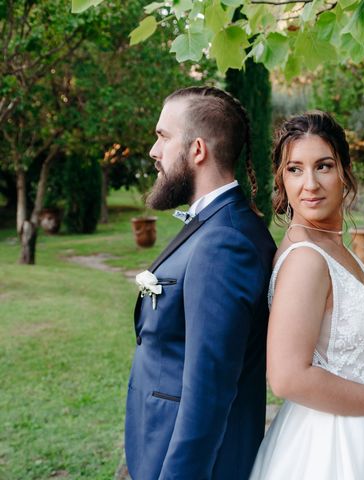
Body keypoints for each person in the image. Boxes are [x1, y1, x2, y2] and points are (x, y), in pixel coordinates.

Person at [249, 112, 364, 480]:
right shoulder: (306, 259)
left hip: (361, 432)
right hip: (327, 446)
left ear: (345, 171)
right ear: (281, 178)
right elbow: (286, 377)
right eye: (295, 169)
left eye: (323, 166)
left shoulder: (327, 246)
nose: (309, 184)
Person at [124, 86, 276, 480]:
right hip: (157, 442)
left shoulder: (227, 242)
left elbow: (210, 392)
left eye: (163, 136)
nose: (154, 151)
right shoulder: (214, 224)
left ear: (197, 150)